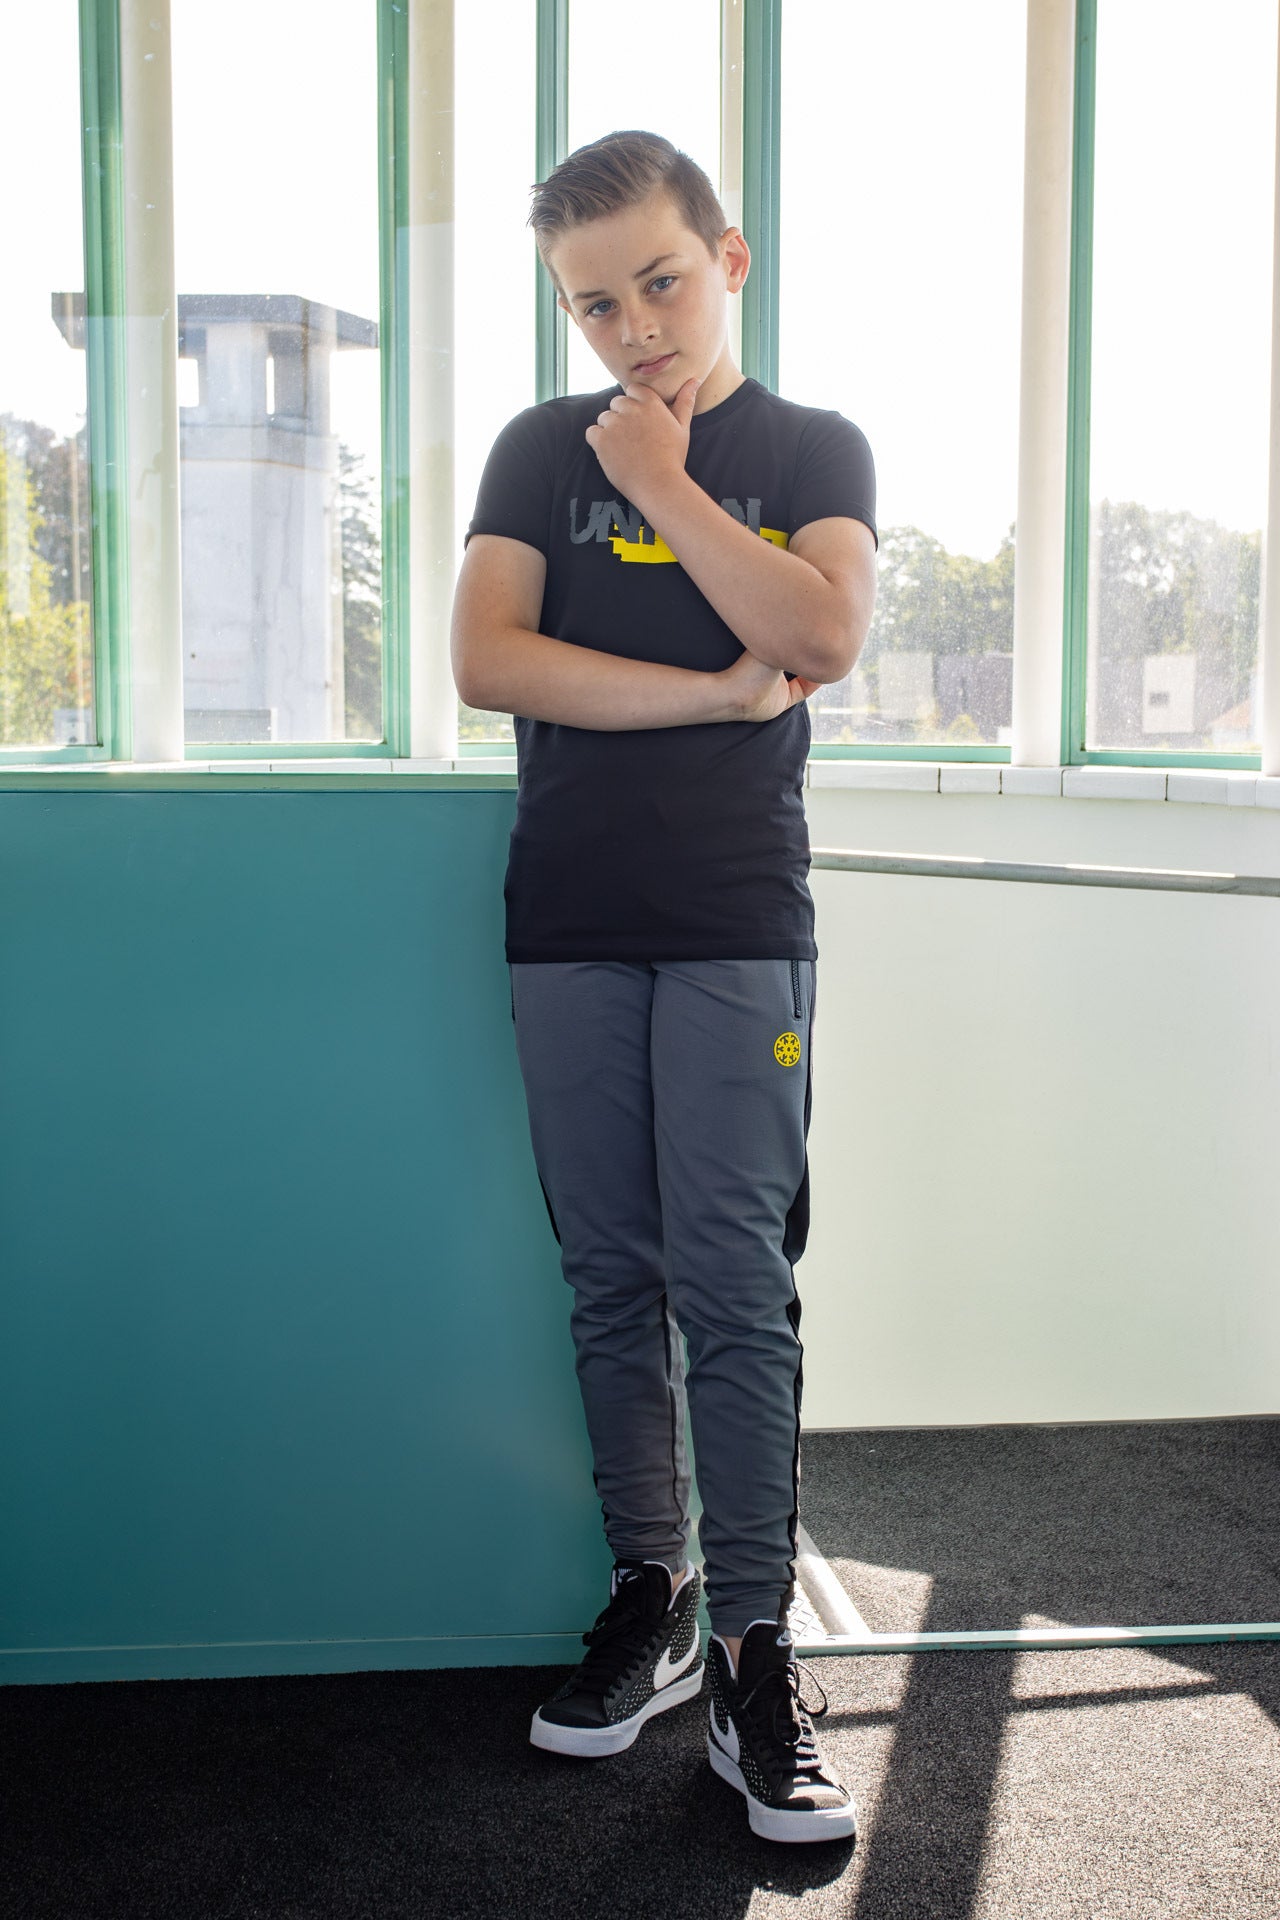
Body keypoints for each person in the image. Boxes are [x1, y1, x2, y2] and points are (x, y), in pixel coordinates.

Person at [451, 129, 877, 1845]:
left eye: (661, 284)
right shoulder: (532, 447)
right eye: (595, 305)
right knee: (610, 1277)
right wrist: (710, 695)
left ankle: (762, 1653)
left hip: (733, 921)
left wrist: (668, 487)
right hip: (567, 919)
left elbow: (822, 635)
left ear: (729, 260)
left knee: (734, 1282)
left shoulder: (809, 446)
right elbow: (488, 659)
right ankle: (659, 1593)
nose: (633, 329)